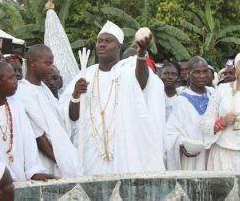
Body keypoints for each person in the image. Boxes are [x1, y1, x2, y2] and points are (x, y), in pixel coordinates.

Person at [60, 21, 165, 175]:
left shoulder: (127, 71)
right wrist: (76, 95)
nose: (102, 45)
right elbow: (73, 117)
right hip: (91, 151)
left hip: (122, 148)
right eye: (99, 41)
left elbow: (141, 82)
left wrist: (142, 51)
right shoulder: (85, 75)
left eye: (108, 41)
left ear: (119, 47)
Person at [16, 45, 83, 178]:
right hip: (44, 160)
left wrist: (76, 95)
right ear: (32, 64)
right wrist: (59, 160)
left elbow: (60, 122)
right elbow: (37, 135)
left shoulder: (44, 89)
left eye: (52, 63)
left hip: (59, 158)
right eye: (47, 63)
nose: (51, 68)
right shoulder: (23, 91)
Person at [0, 62, 54, 181]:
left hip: (19, 175)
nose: (16, 81)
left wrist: (34, 170)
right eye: (11, 77)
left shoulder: (17, 104)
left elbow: (28, 140)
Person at [166, 57, 213, 170]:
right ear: (188, 74)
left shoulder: (214, 94)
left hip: (212, 153)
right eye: (197, 72)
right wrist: (181, 144)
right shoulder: (181, 100)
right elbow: (171, 131)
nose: (202, 76)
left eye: (205, 71)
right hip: (192, 156)